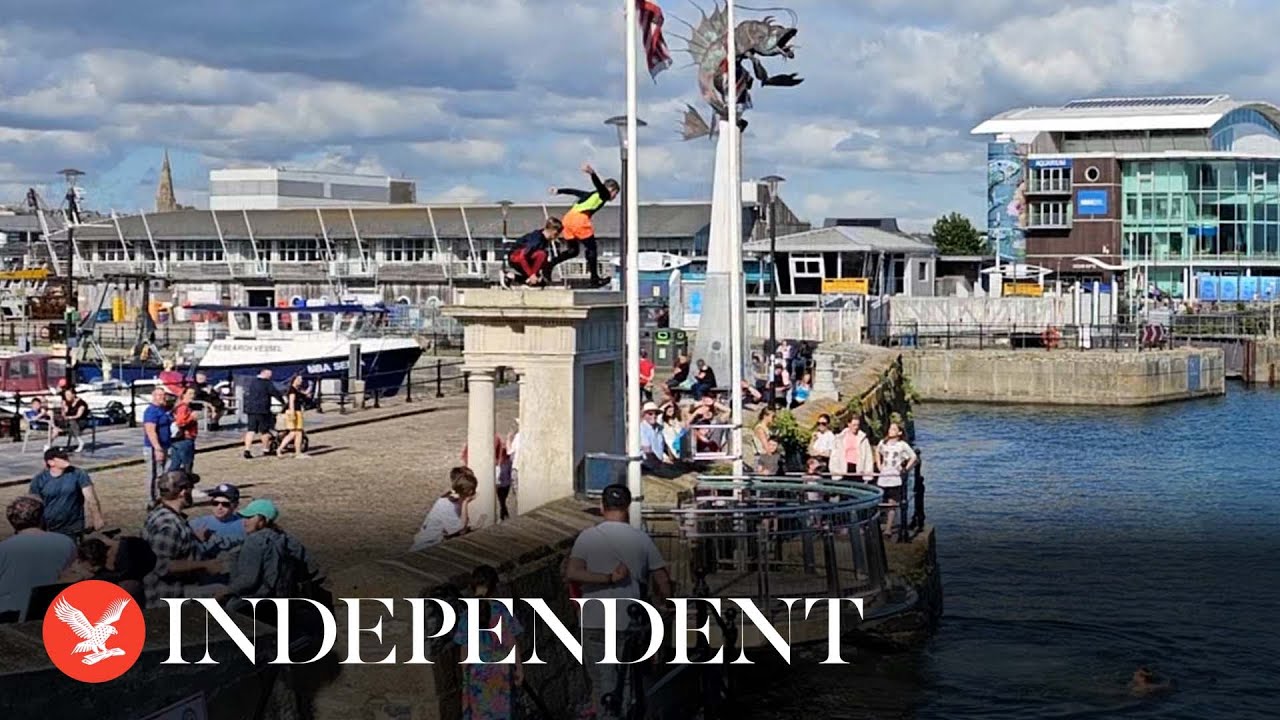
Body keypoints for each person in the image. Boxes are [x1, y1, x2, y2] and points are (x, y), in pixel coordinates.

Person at [564, 485, 671, 718]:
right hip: (626, 621)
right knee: (624, 682)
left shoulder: (588, 537)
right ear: (628, 507)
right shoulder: (641, 539)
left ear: (602, 506)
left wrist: (604, 579)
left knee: (602, 682)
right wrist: (667, 604)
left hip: (593, 619)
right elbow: (662, 579)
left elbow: (573, 572)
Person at [143, 470, 224, 607]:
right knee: (224, 591)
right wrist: (205, 565)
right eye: (191, 487)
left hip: (172, 593)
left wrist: (194, 539)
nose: (192, 490)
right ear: (183, 491)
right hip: (166, 598)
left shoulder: (160, 513)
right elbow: (161, 565)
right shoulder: (169, 525)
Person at [453, 565, 525, 720]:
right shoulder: (502, 611)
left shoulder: (466, 616)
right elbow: (512, 642)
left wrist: (465, 678)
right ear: (495, 587)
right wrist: (519, 668)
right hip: (501, 672)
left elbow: (464, 650)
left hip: (477, 674)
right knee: (503, 713)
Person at [0, 496, 76, 623]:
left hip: (9, 614)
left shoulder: (4, 548)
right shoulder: (66, 542)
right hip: (52, 609)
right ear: (41, 518)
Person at [546, 163, 620, 287]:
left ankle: (549, 265)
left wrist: (559, 191)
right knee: (592, 249)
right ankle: (594, 280)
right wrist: (592, 173)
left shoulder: (591, 194)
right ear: (611, 190)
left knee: (573, 251)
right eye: (615, 193)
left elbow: (574, 191)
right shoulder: (604, 194)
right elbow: (600, 186)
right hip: (580, 220)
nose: (614, 197)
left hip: (568, 219)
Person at [28, 447, 104, 538]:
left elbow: (91, 499)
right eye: (62, 457)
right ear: (51, 462)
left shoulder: (79, 474)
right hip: (48, 527)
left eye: (66, 456)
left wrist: (97, 517)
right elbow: (33, 504)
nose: (66, 458)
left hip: (73, 527)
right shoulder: (39, 480)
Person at [411, 468, 482, 551]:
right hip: (426, 546)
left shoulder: (454, 500)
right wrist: (465, 502)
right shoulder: (448, 504)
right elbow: (461, 528)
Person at [875, 422, 918, 538]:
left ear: (899, 433)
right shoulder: (883, 442)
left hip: (895, 477)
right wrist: (879, 465)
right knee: (878, 501)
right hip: (883, 476)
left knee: (892, 503)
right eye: (890, 428)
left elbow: (913, 457)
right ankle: (876, 525)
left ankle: (888, 528)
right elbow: (877, 451)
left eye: (893, 429)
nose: (890, 430)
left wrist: (905, 469)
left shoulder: (902, 445)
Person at [189, 483, 247, 558]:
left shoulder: (245, 525)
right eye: (215, 503)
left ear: (235, 505)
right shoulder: (197, 524)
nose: (219, 507)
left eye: (225, 504)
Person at [504, 218, 562, 287]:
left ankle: (509, 277)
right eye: (557, 234)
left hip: (526, 258)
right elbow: (523, 256)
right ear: (553, 231)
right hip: (516, 257)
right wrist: (531, 274)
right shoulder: (536, 240)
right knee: (542, 254)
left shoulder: (545, 239)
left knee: (538, 282)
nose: (557, 236)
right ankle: (529, 278)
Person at [242, 369, 283, 460]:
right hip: (262, 410)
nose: (270, 376)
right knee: (264, 431)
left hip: (251, 409)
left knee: (251, 430)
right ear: (264, 373)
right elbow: (275, 393)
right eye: (269, 374)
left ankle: (247, 449)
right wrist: (283, 402)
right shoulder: (267, 383)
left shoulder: (252, 382)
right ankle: (266, 449)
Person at [142, 387, 173, 506]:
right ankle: (152, 500)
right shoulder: (151, 411)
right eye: (159, 395)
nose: (162, 397)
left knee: (165, 473)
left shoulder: (163, 410)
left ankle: (163, 496)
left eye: (163, 395)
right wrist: (157, 448)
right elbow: (150, 430)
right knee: (154, 474)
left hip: (166, 445)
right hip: (153, 447)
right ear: (153, 396)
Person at [276, 375, 310, 458]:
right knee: (295, 432)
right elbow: (291, 402)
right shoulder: (292, 390)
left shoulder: (297, 390)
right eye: (298, 379)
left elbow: (302, 396)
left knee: (297, 433)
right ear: (294, 380)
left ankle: (296, 452)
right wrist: (292, 413)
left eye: (301, 379)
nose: (300, 381)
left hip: (297, 411)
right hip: (293, 412)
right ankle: (283, 449)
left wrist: (306, 393)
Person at [169, 386, 200, 473]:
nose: (192, 396)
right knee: (187, 465)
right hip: (185, 438)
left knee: (175, 465)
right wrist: (191, 417)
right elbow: (180, 422)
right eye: (189, 393)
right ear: (183, 395)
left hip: (179, 439)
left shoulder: (182, 406)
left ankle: (169, 483)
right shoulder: (183, 407)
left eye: (193, 394)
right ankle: (184, 484)